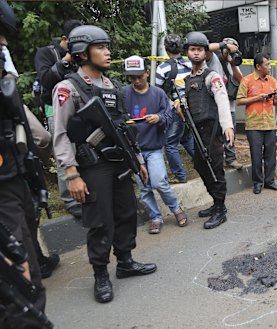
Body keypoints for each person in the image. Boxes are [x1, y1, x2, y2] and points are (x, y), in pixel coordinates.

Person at [52, 25, 157, 303]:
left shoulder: (111, 86)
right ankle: (101, 274)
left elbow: (124, 128)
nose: (108, 52)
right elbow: (60, 134)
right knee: (100, 222)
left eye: (106, 46)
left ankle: (125, 262)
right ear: (82, 53)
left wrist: (138, 159)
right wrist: (72, 174)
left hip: (119, 162)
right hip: (92, 165)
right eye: (101, 47)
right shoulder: (68, 88)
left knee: (126, 213)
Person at [0, 1, 48, 326]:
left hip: (14, 179)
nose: (4, 43)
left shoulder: (6, 83)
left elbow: (29, 135)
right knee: (20, 279)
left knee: (28, 270)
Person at [122, 55, 188, 234]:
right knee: (144, 188)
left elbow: (169, 116)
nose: (136, 80)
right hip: (135, 150)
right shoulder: (124, 94)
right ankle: (155, 217)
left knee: (159, 181)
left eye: (139, 76)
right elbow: (118, 118)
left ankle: (176, 208)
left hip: (154, 148)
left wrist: (158, 118)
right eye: (132, 77)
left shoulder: (158, 94)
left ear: (146, 73)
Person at [183, 31, 235, 229]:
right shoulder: (188, 79)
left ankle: (220, 208)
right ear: (187, 52)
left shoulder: (211, 76)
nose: (196, 53)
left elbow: (222, 101)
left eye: (200, 50)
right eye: (192, 49)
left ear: (206, 53)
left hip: (212, 131)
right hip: (196, 131)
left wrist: (228, 126)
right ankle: (215, 201)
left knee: (215, 168)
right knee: (200, 165)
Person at [34, 19, 83, 219]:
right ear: (65, 39)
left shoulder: (83, 53)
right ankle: (71, 201)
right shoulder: (45, 52)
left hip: (79, 105)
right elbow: (45, 80)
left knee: (82, 149)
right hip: (54, 107)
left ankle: (84, 190)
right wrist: (66, 60)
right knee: (64, 151)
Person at [235, 53, 277, 194]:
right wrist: (256, 98)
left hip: (269, 123)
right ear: (258, 66)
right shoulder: (246, 80)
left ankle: (269, 181)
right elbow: (239, 101)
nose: (269, 66)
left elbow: (275, 102)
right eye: (267, 64)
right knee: (256, 155)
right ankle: (257, 183)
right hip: (253, 125)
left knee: (270, 155)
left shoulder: (272, 81)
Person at [155, 34, 195, 184]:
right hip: (192, 107)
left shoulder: (163, 68)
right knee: (187, 138)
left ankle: (180, 175)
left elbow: (158, 92)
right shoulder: (190, 63)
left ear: (166, 49)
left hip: (176, 109)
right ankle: (204, 164)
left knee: (170, 143)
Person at [205, 37, 244, 170]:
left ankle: (231, 159)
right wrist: (224, 46)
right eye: (228, 50)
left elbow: (242, 81)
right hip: (213, 105)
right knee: (214, 134)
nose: (230, 52)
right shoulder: (213, 59)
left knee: (230, 133)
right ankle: (215, 160)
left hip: (229, 106)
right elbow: (206, 47)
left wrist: (232, 62)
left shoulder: (233, 63)